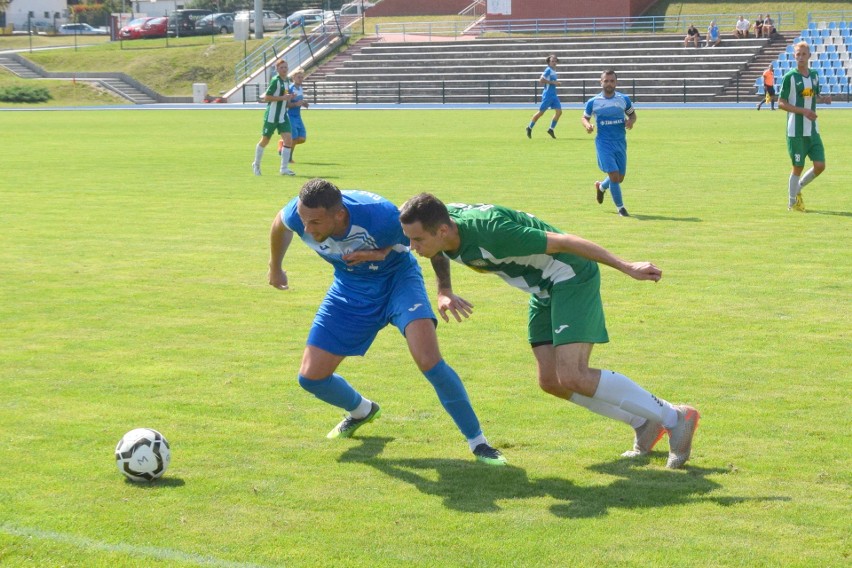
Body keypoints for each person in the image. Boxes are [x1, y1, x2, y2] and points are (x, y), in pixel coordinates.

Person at [398, 194, 701, 469]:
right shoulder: (442, 229)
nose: (413, 248)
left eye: (417, 240)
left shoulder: (492, 232)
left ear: (442, 230)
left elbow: (565, 242)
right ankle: (643, 423)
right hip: (542, 289)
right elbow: (437, 252)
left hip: (569, 275)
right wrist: (445, 290)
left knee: (573, 375)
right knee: (551, 381)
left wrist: (626, 266)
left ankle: (675, 417)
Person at [268, 178, 507, 466]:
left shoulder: (380, 214)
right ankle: (361, 411)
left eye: (316, 222)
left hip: (398, 282)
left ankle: (478, 443)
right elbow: (280, 224)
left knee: (429, 360)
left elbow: (429, 244)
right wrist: (276, 266)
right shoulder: (300, 213)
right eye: (305, 221)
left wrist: (443, 290)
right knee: (311, 378)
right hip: (350, 289)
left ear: (339, 214)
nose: (307, 229)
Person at [778, 41, 831, 212]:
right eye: (798, 54)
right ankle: (792, 202)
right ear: (794, 56)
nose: (800, 57)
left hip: (812, 130)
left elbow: (811, 94)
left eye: (803, 54)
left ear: (809, 56)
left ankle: (798, 187)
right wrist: (803, 111)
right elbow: (781, 103)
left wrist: (823, 99)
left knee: (820, 165)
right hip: (796, 131)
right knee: (798, 167)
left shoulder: (814, 75)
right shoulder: (790, 77)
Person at [582, 69, 636, 217]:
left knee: (619, 178)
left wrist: (630, 122)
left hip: (620, 142)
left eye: (612, 81)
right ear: (601, 82)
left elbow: (633, 115)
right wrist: (588, 125)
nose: (609, 83)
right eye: (606, 81)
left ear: (616, 82)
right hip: (603, 143)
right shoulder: (594, 102)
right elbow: (584, 117)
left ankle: (601, 187)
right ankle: (621, 209)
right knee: (613, 175)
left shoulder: (623, 99)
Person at [252, 59, 295, 177]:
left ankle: (284, 168)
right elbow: (266, 97)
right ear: (277, 69)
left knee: (288, 139)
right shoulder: (275, 81)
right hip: (272, 115)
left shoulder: (287, 80)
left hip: (282, 115)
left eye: (286, 67)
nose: (284, 69)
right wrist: (282, 98)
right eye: (282, 68)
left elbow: (284, 97)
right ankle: (256, 164)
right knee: (265, 140)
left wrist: (290, 97)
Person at [526, 54, 562, 139]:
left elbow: (551, 81)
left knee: (559, 112)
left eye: (555, 61)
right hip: (548, 95)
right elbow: (541, 80)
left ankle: (551, 129)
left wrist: (556, 83)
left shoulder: (554, 70)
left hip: (554, 95)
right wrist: (554, 83)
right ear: (549, 62)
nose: (554, 62)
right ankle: (529, 127)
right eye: (552, 61)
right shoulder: (548, 70)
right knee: (541, 113)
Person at [277, 68, 309, 164]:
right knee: (294, 138)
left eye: (302, 77)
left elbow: (298, 101)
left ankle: (282, 143)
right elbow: (286, 104)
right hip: (290, 116)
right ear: (293, 77)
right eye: (298, 77)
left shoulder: (300, 88)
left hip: (298, 116)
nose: (300, 79)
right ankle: (289, 158)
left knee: (302, 138)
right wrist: (296, 104)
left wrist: (303, 103)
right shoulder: (289, 89)